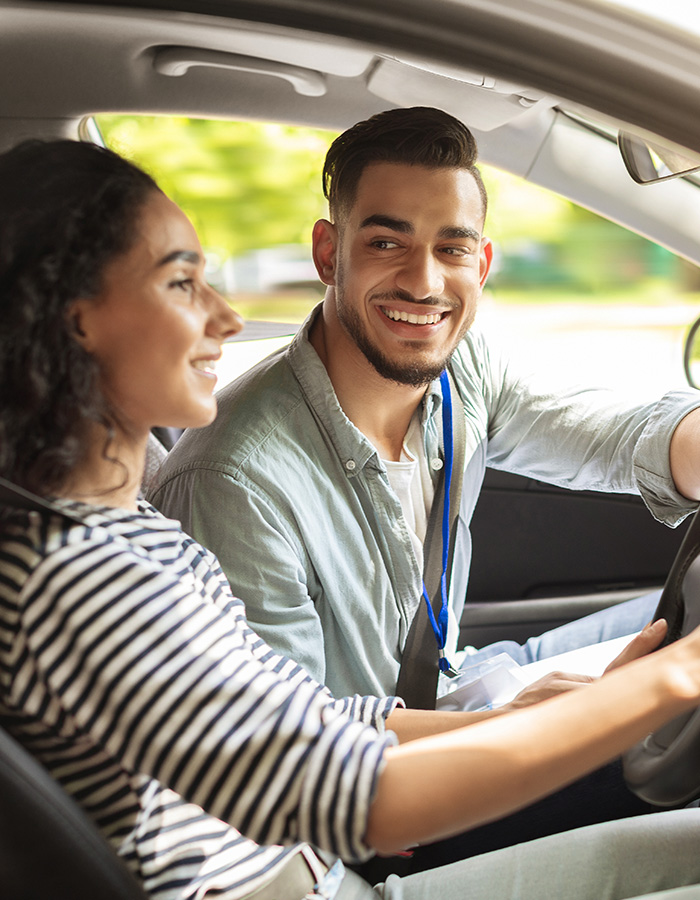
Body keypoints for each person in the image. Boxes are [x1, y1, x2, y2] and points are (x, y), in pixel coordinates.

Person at [4, 138, 700, 900]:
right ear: (78, 322)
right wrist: (663, 682)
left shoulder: (112, 528)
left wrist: (554, 710)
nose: (228, 319)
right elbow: (358, 800)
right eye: (181, 284)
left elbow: (307, 718)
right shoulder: (82, 578)